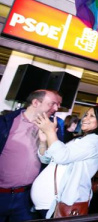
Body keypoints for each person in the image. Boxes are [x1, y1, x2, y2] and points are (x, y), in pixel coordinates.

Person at [30, 105, 98, 218]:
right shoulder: (79, 140)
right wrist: (43, 141)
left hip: (60, 204)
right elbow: (46, 159)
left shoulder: (95, 141)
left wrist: (50, 132)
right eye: (86, 115)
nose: (85, 118)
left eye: (92, 116)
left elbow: (61, 156)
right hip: (48, 204)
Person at [0, 89, 63, 221]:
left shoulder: (53, 128)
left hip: (27, 197)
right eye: (52, 104)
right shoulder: (6, 123)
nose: (56, 108)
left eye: (58, 104)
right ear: (35, 102)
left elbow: (53, 161)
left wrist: (50, 137)